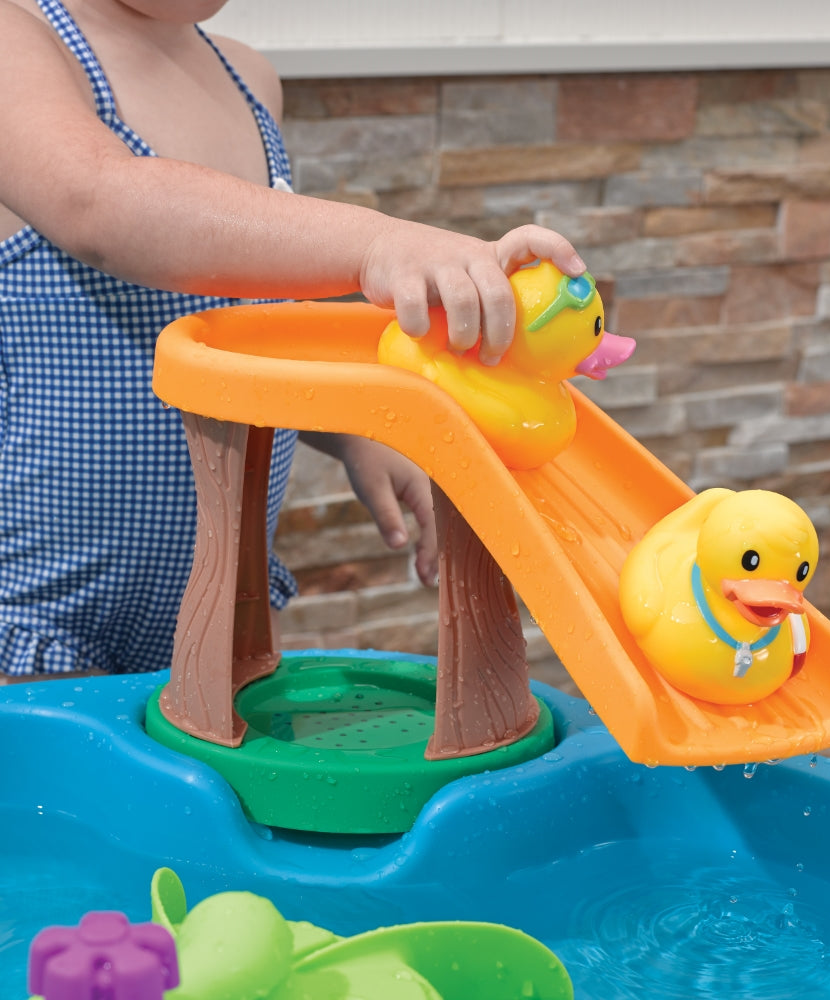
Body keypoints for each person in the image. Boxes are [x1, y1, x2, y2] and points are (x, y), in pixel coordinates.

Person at [0, 0, 586, 683]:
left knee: (204, 782)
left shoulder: (248, 79)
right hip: (30, 611)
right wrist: (377, 243)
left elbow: (254, 318)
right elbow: (97, 201)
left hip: (215, 601)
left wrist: (349, 426)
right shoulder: (22, 40)